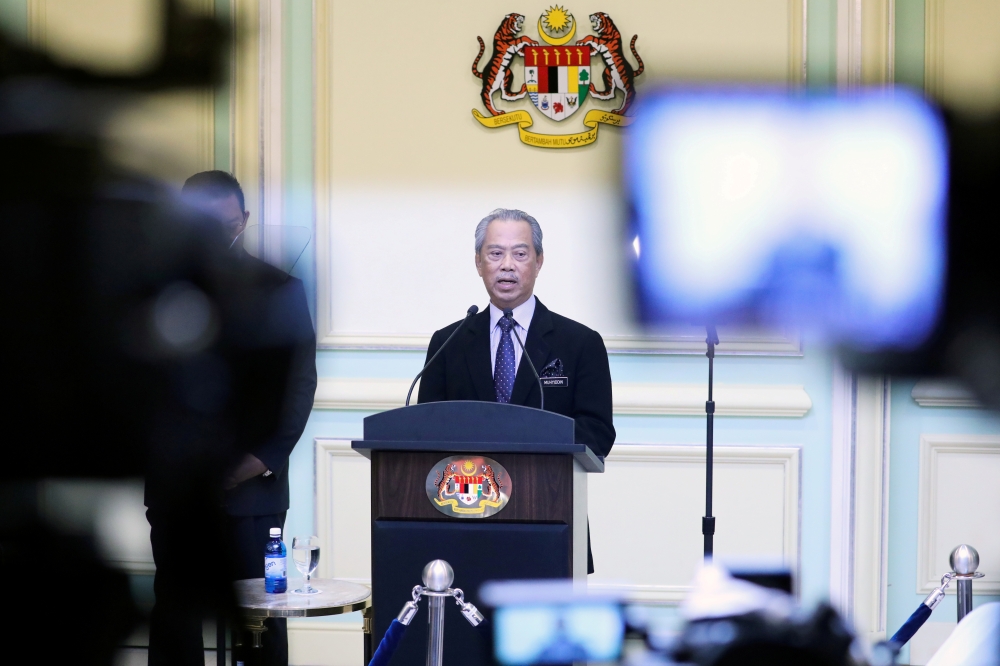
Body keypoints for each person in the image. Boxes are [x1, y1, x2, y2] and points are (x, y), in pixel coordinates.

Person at [144, 171, 317, 666]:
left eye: (226, 225)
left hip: (254, 494)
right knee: (175, 615)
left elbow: (298, 387)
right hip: (177, 491)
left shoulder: (281, 288)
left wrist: (252, 462)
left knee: (261, 620)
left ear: (243, 221)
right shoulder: (149, 290)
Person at [417, 208, 615, 572]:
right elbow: (426, 430)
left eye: (520, 253)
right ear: (478, 263)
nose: (507, 265)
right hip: (461, 521)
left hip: (550, 518)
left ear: (538, 262)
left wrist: (527, 442)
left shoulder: (580, 343)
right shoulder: (449, 342)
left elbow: (597, 433)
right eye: (495, 253)